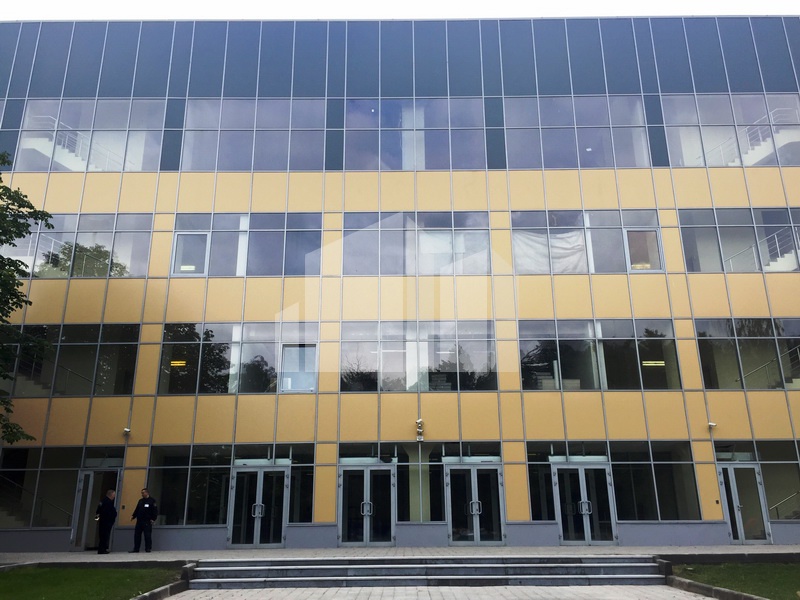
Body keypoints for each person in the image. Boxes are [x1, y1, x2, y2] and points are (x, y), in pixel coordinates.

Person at [129, 488, 158, 553]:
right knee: (137, 535)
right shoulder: (140, 501)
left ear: (147, 493)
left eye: (143, 493)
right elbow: (137, 509)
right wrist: (133, 516)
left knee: (147, 535)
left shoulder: (152, 501)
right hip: (139, 520)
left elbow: (155, 511)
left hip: (147, 521)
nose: (142, 494)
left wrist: (153, 519)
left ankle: (148, 548)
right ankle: (136, 548)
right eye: (141, 493)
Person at [95, 489, 117, 554]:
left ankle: (102, 549)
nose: (114, 496)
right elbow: (108, 512)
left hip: (102, 521)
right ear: (111, 495)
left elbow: (97, 511)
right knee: (105, 536)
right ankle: (102, 550)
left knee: (102, 535)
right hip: (106, 521)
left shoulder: (102, 501)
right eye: (114, 495)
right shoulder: (108, 502)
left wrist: (97, 520)